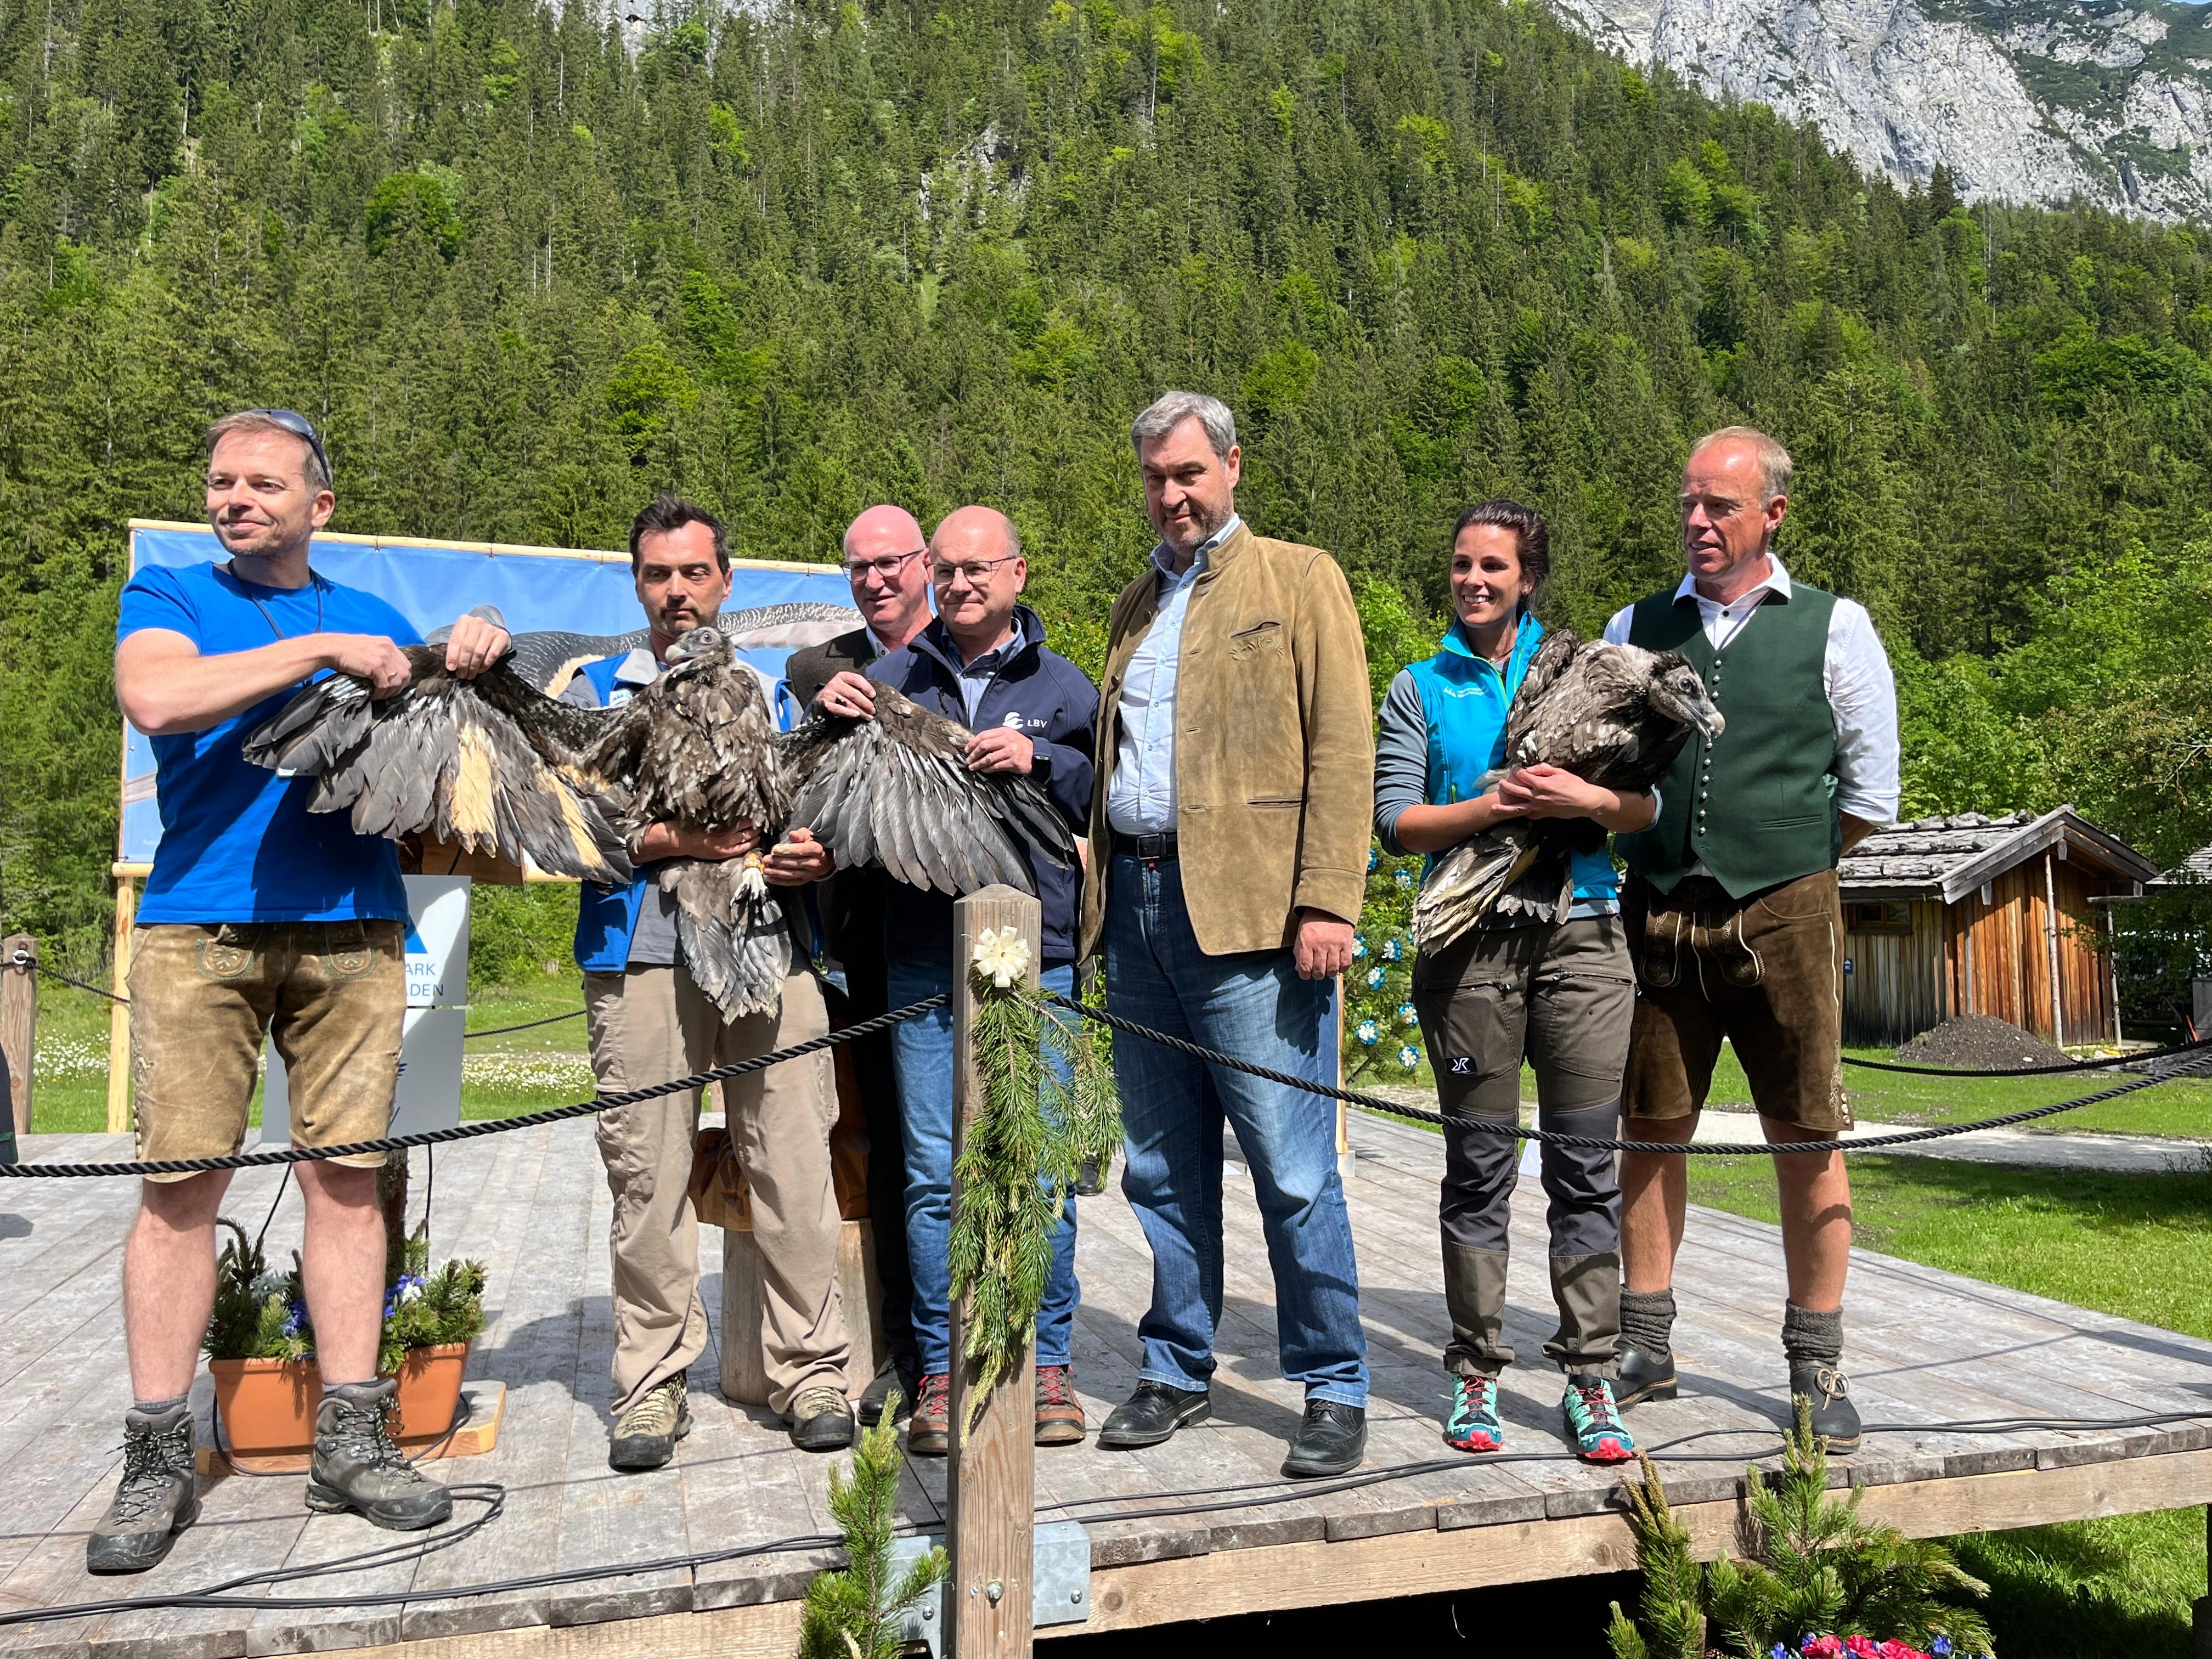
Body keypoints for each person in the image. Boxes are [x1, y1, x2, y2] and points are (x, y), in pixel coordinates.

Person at [100, 409, 510, 1572]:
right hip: (201, 929)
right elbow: (158, 702)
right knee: (180, 1190)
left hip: (353, 930)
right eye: (221, 481)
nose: (234, 498)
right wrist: (319, 654)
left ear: (318, 506)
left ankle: (352, 1436)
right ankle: (156, 1456)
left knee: (346, 1183)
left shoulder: (375, 617)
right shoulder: (174, 596)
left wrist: (473, 645)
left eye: (263, 483)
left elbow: (453, 732)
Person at [1082, 391, 1375, 1480]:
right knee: (1160, 1167)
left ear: (1233, 467)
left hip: (1258, 919)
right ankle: (1176, 1364)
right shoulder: (1131, 606)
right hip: (1142, 911)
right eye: (1158, 478)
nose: (1174, 496)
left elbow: (1342, 748)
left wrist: (1329, 900)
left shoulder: (1301, 579)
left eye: (1191, 474)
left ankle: (1335, 1383)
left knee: (1294, 1167)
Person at [1602, 426, 1899, 1452]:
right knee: (1649, 1128)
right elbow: (1617, 770)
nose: (1697, 521)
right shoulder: (1634, 625)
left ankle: (1817, 1364)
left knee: (1807, 1133)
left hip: (1787, 909)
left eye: (1720, 505)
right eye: (1688, 502)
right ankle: (1646, 1342)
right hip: (1658, 905)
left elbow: (1869, 793)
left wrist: (1786, 863)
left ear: (1773, 513)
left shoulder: (1835, 627)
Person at [565, 495, 853, 1465]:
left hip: (769, 939)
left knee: (794, 1159)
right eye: (659, 575)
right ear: (637, 585)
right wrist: (672, 841)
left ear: (725, 581)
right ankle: (649, 1385)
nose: (678, 592)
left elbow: (806, 815)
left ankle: (812, 1368)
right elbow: (575, 828)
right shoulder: (598, 691)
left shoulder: (772, 697)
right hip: (640, 950)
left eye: (695, 573)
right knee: (648, 1175)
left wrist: (809, 854)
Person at [1375, 502, 1652, 1465]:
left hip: (1583, 936)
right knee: (1480, 1169)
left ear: (1528, 577)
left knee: (1585, 1169)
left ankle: (1590, 1379)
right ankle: (1476, 1371)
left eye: (1493, 566)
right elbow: (1397, 822)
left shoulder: (1585, 668)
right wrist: (1488, 804)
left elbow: (1647, 804)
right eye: (1461, 565)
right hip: (1469, 949)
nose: (1474, 580)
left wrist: (1589, 802)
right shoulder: (1418, 687)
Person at [833, 507, 1098, 1457]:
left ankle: (1046, 1367)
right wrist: (834, 715)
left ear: (1020, 574)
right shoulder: (892, 681)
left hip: (1043, 957)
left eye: (977, 569)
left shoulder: (1066, 689)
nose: (958, 585)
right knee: (934, 1176)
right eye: (943, 571)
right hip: (920, 952)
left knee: (1041, 1172)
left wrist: (1045, 759)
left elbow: (1108, 793)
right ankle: (943, 1373)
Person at [784, 504, 934, 1427]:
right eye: (858, 568)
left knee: (984, 1148)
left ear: (928, 564)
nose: (875, 579)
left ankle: (1025, 1347)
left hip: (976, 940)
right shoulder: (833, 665)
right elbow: (805, 665)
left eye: (891, 563)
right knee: (892, 1157)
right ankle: (914, 1357)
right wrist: (823, 685)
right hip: (868, 952)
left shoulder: (961, 663)